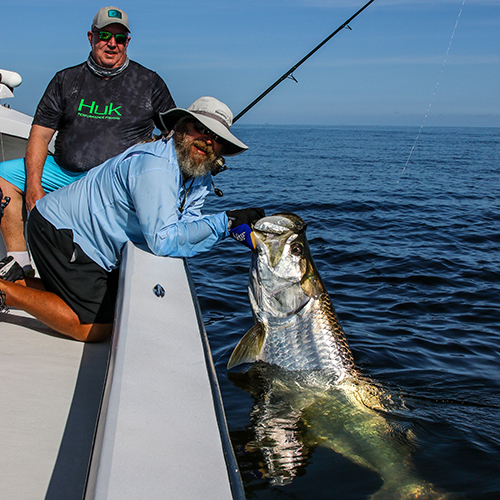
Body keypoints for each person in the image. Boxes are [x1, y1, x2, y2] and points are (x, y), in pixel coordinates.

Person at [0, 96, 265, 343]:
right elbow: (162, 240)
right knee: (95, 327)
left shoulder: (199, 177)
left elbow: (185, 226)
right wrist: (225, 223)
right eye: (201, 129)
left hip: (92, 242)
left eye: (216, 138)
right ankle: (5, 292)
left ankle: (18, 281)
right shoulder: (156, 166)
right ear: (182, 128)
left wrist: (228, 227)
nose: (208, 140)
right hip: (61, 232)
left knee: (121, 304)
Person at [0, 6, 175, 271]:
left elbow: (172, 138)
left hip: (115, 184)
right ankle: (19, 260)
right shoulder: (65, 79)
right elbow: (40, 134)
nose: (111, 44)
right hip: (64, 172)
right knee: (3, 177)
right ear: (91, 37)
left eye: (119, 38)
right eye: (105, 35)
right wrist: (34, 185)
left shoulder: (150, 82)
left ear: (127, 42)